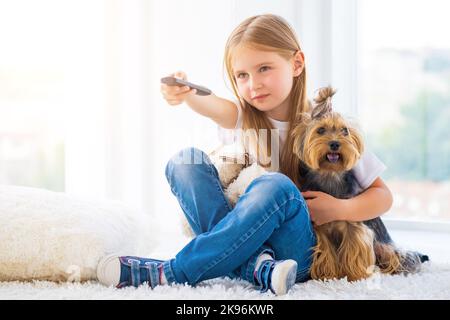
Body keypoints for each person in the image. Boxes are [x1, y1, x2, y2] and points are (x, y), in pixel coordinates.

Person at [96, 14, 393, 295]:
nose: (254, 84)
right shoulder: (243, 117)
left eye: (264, 68)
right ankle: (256, 268)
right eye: (242, 75)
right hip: (249, 243)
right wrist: (186, 95)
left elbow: (383, 197)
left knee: (275, 185)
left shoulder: (326, 125)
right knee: (184, 162)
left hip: (297, 250)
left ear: (297, 63)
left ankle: (171, 272)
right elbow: (211, 104)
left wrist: (338, 210)